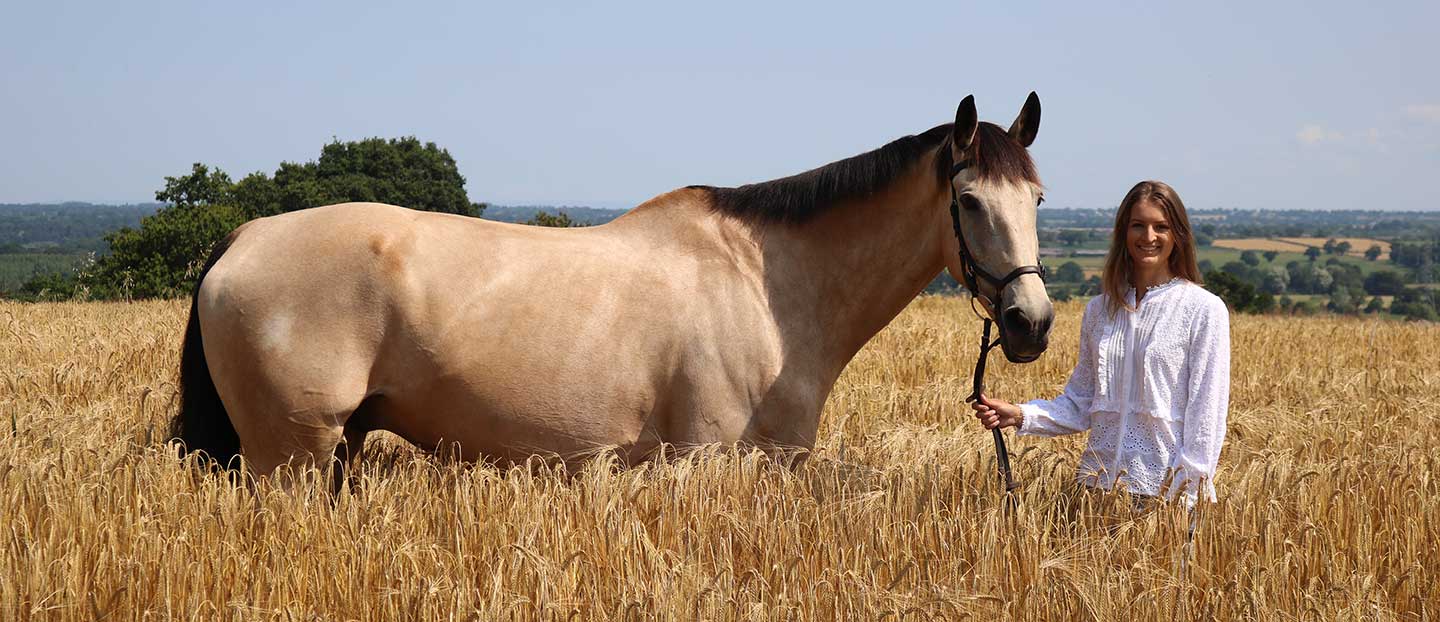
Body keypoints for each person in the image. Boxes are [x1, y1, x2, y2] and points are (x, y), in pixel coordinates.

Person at [972, 180, 1230, 508]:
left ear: (1178, 234)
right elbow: (1081, 403)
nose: (1148, 237)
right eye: (1138, 225)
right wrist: (1020, 415)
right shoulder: (1100, 310)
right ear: (1124, 232)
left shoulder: (1203, 310)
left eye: (1160, 227)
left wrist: (1186, 498)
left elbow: (1207, 415)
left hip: (1165, 497)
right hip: (1097, 491)